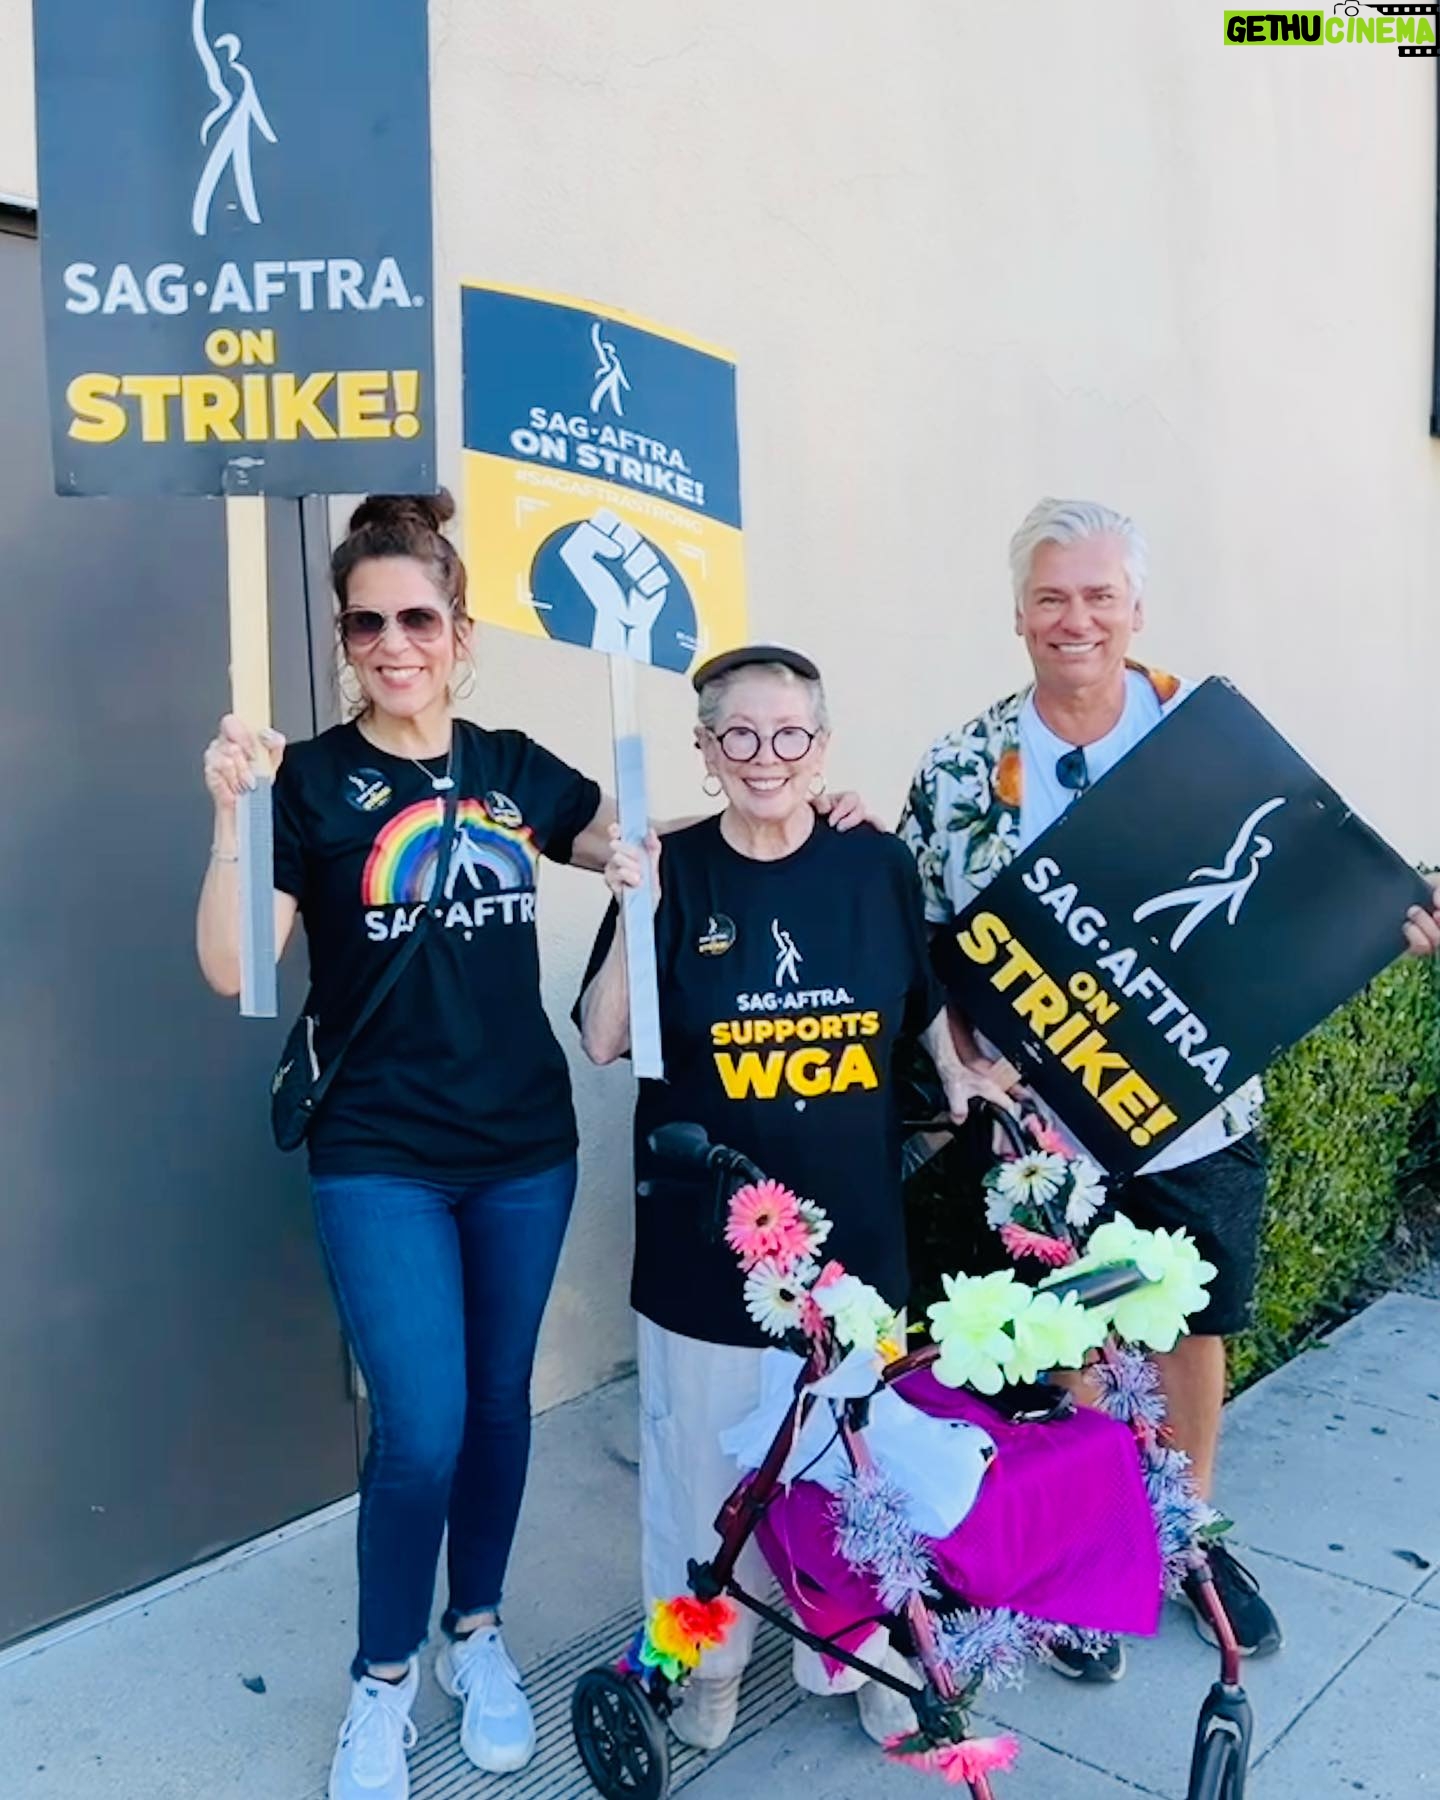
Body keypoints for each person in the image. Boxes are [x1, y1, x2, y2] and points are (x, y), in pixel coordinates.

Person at [197, 499, 872, 1800]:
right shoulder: (311, 783)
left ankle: (478, 1633)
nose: (394, 644)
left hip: (521, 1148)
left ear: (460, 634)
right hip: (379, 1152)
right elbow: (235, 967)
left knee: (499, 1407)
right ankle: (383, 1682)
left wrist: (800, 803)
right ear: (344, 638)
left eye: (418, 618)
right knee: (423, 1427)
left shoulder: (511, 768)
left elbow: (655, 844)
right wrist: (233, 813)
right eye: (367, 624)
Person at [898, 496, 1440, 1682]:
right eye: (1051, 598)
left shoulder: (1213, 747)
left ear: (1136, 608)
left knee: (1195, 1325)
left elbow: (1303, 882)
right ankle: (1094, 1540)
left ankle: (1187, 1529)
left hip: (1196, 1106)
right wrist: (960, 1062)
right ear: (1018, 616)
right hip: (1044, 1126)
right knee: (1068, 1323)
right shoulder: (958, 771)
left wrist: (1385, 923)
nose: (1076, 619)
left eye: (1099, 595)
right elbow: (927, 936)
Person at [578, 645, 1010, 1753]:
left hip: (852, 1249)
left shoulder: (874, 864)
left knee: (857, 1472)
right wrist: (634, 904)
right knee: (700, 1482)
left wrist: (956, 1071)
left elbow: (919, 996)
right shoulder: (669, 868)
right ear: (705, 749)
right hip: (704, 1251)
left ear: (821, 747)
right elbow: (603, 1037)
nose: (764, 756)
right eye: (739, 733)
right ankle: (702, 1663)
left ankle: (865, 1656)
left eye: (789, 735)